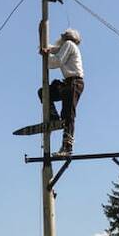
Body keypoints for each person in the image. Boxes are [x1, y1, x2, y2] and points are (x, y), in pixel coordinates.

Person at [38, 28, 84, 156]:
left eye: (63, 35)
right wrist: (45, 48)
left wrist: (46, 54)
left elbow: (56, 62)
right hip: (67, 83)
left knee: (68, 114)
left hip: (74, 82)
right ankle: (53, 117)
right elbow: (54, 50)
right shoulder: (66, 46)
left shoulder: (69, 45)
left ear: (66, 37)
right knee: (44, 92)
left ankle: (67, 148)